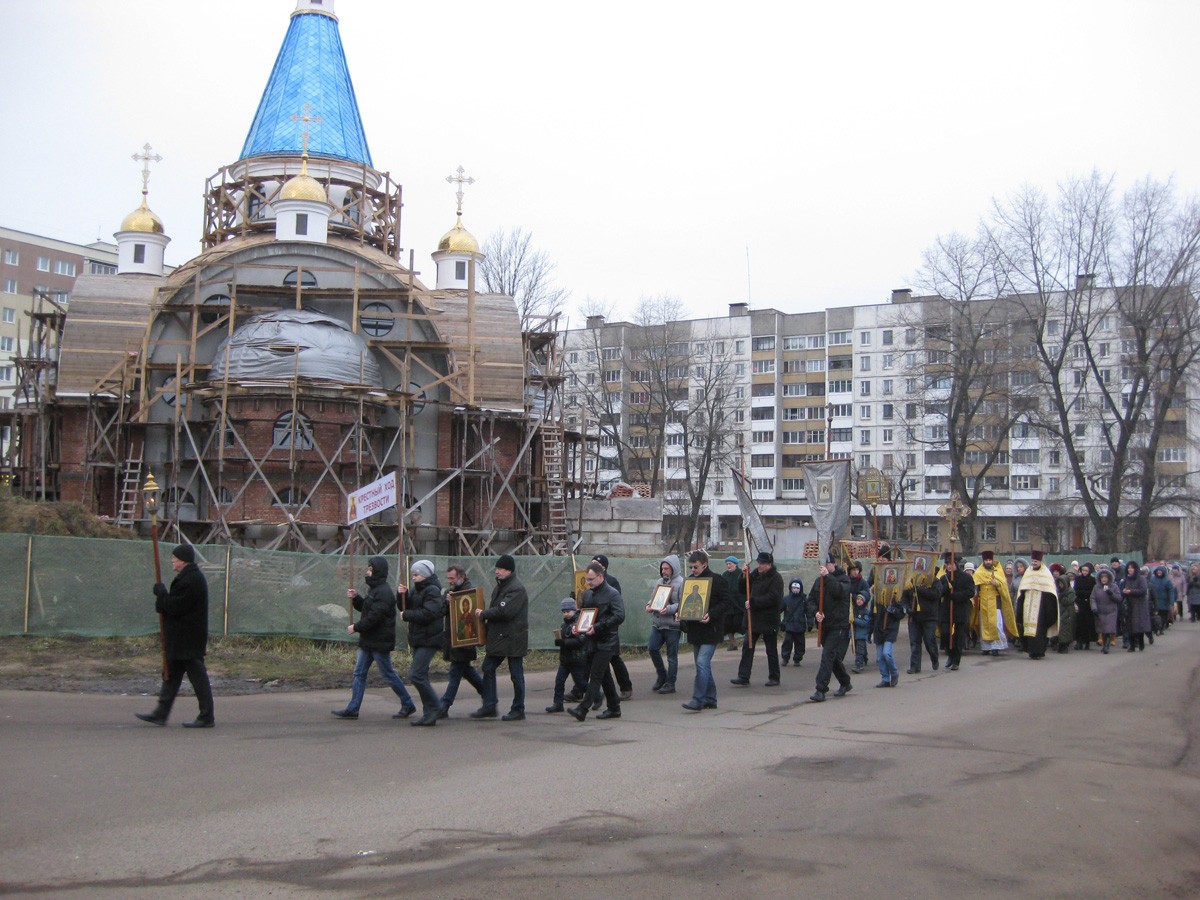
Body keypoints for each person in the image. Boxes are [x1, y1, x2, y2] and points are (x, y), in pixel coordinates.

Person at [136, 544, 215, 728]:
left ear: (183, 561)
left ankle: (206, 716)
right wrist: (163, 597)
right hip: (182, 638)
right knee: (171, 675)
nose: (172, 561)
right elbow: (172, 605)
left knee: (198, 679)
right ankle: (161, 713)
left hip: (188, 639)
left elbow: (175, 607)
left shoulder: (191, 580)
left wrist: (162, 594)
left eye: (175, 558)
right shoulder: (188, 577)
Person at [330, 555, 415, 721]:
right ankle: (353, 709)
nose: (367, 572)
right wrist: (356, 598)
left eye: (370, 569)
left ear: (378, 571)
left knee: (387, 674)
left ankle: (408, 703)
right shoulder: (374, 590)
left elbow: (374, 617)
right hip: (369, 640)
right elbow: (366, 608)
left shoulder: (384, 593)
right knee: (359, 673)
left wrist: (356, 627)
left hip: (379, 641)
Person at [472, 554, 529, 721]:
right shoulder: (501, 587)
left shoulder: (516, 588)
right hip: (500, 637)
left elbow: (505, 611)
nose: (497, 571)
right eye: (497, 568)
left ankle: (518, 709)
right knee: (488, 668)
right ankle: (489, 705)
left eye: (500, 569)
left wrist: (484, 614)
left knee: (516, 674)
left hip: (513, 638)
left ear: (509, 570)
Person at [568, 561, 626, 721]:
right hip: (591, 640)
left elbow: (619, 615)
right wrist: (576, 627)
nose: (588, 582)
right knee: (604, 675)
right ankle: (614, 708)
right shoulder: (587, 594)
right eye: (587, 579)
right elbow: (582, 614)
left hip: (607, 641)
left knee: (596, 675)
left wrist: (598, 627)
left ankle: (582, 709)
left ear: (601, 576)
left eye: (591, 579)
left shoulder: (612, 594)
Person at [680, 550, 733, 711]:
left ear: (704, 565)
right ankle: (711, 699)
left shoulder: (718, 580)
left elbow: (726, 603)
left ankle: (698, 699)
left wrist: (711, 614)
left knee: (702, 663)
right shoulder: (690, 582)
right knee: (702, 665)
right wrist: (681, 613)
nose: (693, 570)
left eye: (696, 567)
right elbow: (686, 602)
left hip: (711, 630)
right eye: (691, 567)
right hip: (696, 630)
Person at [397, 560, 445, 726]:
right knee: (421, 675)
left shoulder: (432, 590)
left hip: (429, 638)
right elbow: (405, 607)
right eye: (413, 574)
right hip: (419, 638)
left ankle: (436, 706)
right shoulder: (417, 590)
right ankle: (429, 714)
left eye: (416, 574)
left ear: (425, 574)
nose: (414, 576)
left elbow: (429, 613)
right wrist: (402, 595)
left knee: (415, 674)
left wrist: (408, 615)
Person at [436, 564, 486, 718]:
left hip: (464, 642)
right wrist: (447, 602)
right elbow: (441, 612)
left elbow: (472, 619)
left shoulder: (470, 593)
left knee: (455, 672)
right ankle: (489, 696)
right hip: (453, 639)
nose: (450, 581)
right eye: (448, 578)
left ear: (461, 577)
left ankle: (444, 705)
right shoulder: (451, 592)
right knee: (467, 671)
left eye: (452, 578)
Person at [731, 551, 784, 687]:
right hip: (753, 618)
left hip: (768, 619)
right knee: (747, 647)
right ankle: (743, 676)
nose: (759, 565)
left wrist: (754, 602)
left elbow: (773, 597)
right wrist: (743, 575)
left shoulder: (776, 578)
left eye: (762, 563)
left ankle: (774, 677)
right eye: (759, 563)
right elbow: (743, 589)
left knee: (771, 649)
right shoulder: (755, 574)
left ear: (770, 565)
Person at [809, 560, 852, 702]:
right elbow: (811, 600)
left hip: (838, 625)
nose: (824, 567)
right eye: (822, 564)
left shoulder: (844, 579)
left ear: (834, 564)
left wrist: (828, 576)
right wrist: (815, 613)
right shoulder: (818, 581)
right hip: (824, 625)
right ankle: (845, 682)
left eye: (827, 564)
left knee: (827, 656)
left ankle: (820, 689)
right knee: (832, 658)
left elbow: (839, 591)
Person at [592, 554, 633, 700]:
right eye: (592, 563)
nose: (593, 566)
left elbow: (617, 608)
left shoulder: (612, 583)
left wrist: (606, 621)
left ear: (604, 568)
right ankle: (583, 690)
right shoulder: (589, 581)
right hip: (593, 627)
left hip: (608, 628)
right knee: (591, 659)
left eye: (597, 564)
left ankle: (625, 687)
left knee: (614, 658)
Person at [647, 554, 683, 694]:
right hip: (658, 623)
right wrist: (649, 605)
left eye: (666, 569)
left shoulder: (681, 583)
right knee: (652, 648)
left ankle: (670, 683)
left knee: (671, 656)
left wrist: (668, 609)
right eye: (662, 569)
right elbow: (653, 598)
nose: (664, 571)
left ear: (673, 568)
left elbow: (683, 604)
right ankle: (662, 675)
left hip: (673, 625)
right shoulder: (659, 582)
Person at [1016, 550, 1058, 659]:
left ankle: (1039, 651)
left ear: (1040, 561)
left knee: (1039, 630)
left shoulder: (1046, 573)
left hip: (1041, 607)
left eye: (1036, 561)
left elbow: (1050, 591)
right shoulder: (1028, 572)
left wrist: (1048, 607)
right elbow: (1022, 589)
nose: (1034, 563)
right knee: (1027, 629)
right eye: (1033, 561)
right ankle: (1031, 651)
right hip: (1027, 605)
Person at [973, 550, 1016, 657]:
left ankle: (996, 647)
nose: (988, 562)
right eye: (986, 560)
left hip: (995, 602)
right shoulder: (978, 573)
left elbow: (1004, 587)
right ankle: (986, 647)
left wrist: (997, 584)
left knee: (996, 625)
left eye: (989, 560)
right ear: (983, 561)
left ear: (992, 560)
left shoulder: (998, 572)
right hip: (983, 602)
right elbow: (975, 588)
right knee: (984, 625)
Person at [548, 599, 589, 712]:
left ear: (574, 610)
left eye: (568, 611)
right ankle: (558, 703)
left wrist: (564, 642)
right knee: (559, 682)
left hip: (576, 660)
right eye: (564, 612)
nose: (566, 614)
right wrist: (559, 641)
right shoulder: (564, 625)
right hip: (565, 660)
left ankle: (596, 694)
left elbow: (580, 641)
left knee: (580, 682)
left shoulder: (579, 623)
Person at [938, 552, 975, 670]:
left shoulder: (966, 577)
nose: (949, 566)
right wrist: (947, 588)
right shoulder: (944, 578)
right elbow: (939, 593)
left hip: (960, 611)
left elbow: (970, 592)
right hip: (947, 611)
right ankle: (950, 654)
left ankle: (956, 661)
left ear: (956, 564)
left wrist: (956, 595)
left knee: (958, 637)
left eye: (951, 563)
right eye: (947, 564)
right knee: (945, 634)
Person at [906, 572, 940, 673]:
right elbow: (903, 598)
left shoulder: (934, 581)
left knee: (929, 640)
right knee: (914, 642)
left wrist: (920, 589)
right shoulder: (910, 581)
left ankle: (934, 658)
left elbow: (936, 594)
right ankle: (915, 666)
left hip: (929, 617)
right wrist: (907, 608)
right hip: (914, 618)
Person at [872, 583, 904, 687]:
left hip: (890, 630)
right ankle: (885, 678)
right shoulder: (876, 600)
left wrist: (893, 610)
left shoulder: (894, 598)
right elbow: (872, 616)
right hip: (878, 631)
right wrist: (869, 631)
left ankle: (894, 673)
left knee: (886, 653)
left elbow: (901, 614)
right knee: (880, 657)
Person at [848, 561, 873, 673]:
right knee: (855, 638)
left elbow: (867, 594)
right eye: (853, 570)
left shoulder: (862, 582)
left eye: (857, 570)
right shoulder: (847, 581)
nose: (855, 572)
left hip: (860, 609)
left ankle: (860, 661)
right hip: (851, 609)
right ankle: (862, 656)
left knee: (860, 640)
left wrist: (858, 598)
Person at [1120, 561, 1151, 652]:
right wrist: (1124, 592)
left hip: (1139, 605)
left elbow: (1143, 591)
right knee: (1130, 626)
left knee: (1138, 625)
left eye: (1132, 568)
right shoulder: (1126, 579)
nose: (1130, 569)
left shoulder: (1141, 578)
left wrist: (1131, 591)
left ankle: (1141, 642)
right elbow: (1122, 591)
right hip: (1129, 605)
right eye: (1129, 568)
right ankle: (1132, 645)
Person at [1090, 569, 1121, 653]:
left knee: (1108, 629)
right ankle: (1104, 645)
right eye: (1102, 577)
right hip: (1100, 611)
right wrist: (1094, 608)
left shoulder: (1114, 586)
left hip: (1111, 611)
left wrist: (1111, 593)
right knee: (1102, 629)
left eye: (1106, 577)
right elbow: (1093, 598)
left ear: (1109, 578)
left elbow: (1119, 598)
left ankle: (1107, 646)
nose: (1104, 579)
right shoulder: (1096, 587)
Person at [1049, 563, 1076, 654]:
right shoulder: (1059, 591)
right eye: (1059, 583)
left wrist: (1061, 597)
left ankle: (1064, 645)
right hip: (1060, 613)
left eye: (1062, 583)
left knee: (1065, 630)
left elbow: (1067, 601)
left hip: (1067, 613)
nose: (1060, 585)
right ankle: (1058, 643)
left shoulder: (1070, 591)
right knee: (1060, 629)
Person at [780, 577, 807, 666]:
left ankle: (797, 659)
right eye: (794, 588)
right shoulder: (786, 599)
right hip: (789, 625)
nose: (795, 590)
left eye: (797, 588)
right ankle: (785, 658)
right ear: (791, 588)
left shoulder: (804, 600)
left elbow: (808, 612)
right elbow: (778, 610)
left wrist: (810, 622)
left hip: (800, 625)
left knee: (800, 644)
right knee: (787, 643)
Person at [1072, 562, 1097, 650]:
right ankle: (1079, 641)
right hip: (1080, 602)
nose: (1084, 572)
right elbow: (1076, 590)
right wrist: (1084, 593)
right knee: (1079, 622)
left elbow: (1092, 591)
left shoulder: (1092, 580)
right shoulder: (1078, 579)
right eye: (1083, 570)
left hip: (1088, 603)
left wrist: (1084, 593)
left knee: (1088, 623)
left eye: (1086, 570)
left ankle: (1087, 641)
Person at [722, 555, 743, 650]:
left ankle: (748, 641)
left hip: (739, 605)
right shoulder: (725, 575)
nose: (728, 566)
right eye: (727, 564)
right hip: (728, 606)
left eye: (730, 564)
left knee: (739, 624)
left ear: (735, 564)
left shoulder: (741, 574)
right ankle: (733, 643)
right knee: (727, 625)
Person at [1147, 564, 1175, 635]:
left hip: (1164, 602)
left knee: (1163, 616)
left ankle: (1161, 628)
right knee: (1155, 615)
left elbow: (1171, 591)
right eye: (1158, 571)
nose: (1159, 572)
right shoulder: (1152, 579)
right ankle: (1155, 628)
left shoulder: (1167, 581)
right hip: (1154, 601)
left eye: (1160, 571)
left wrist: (1171, 601)